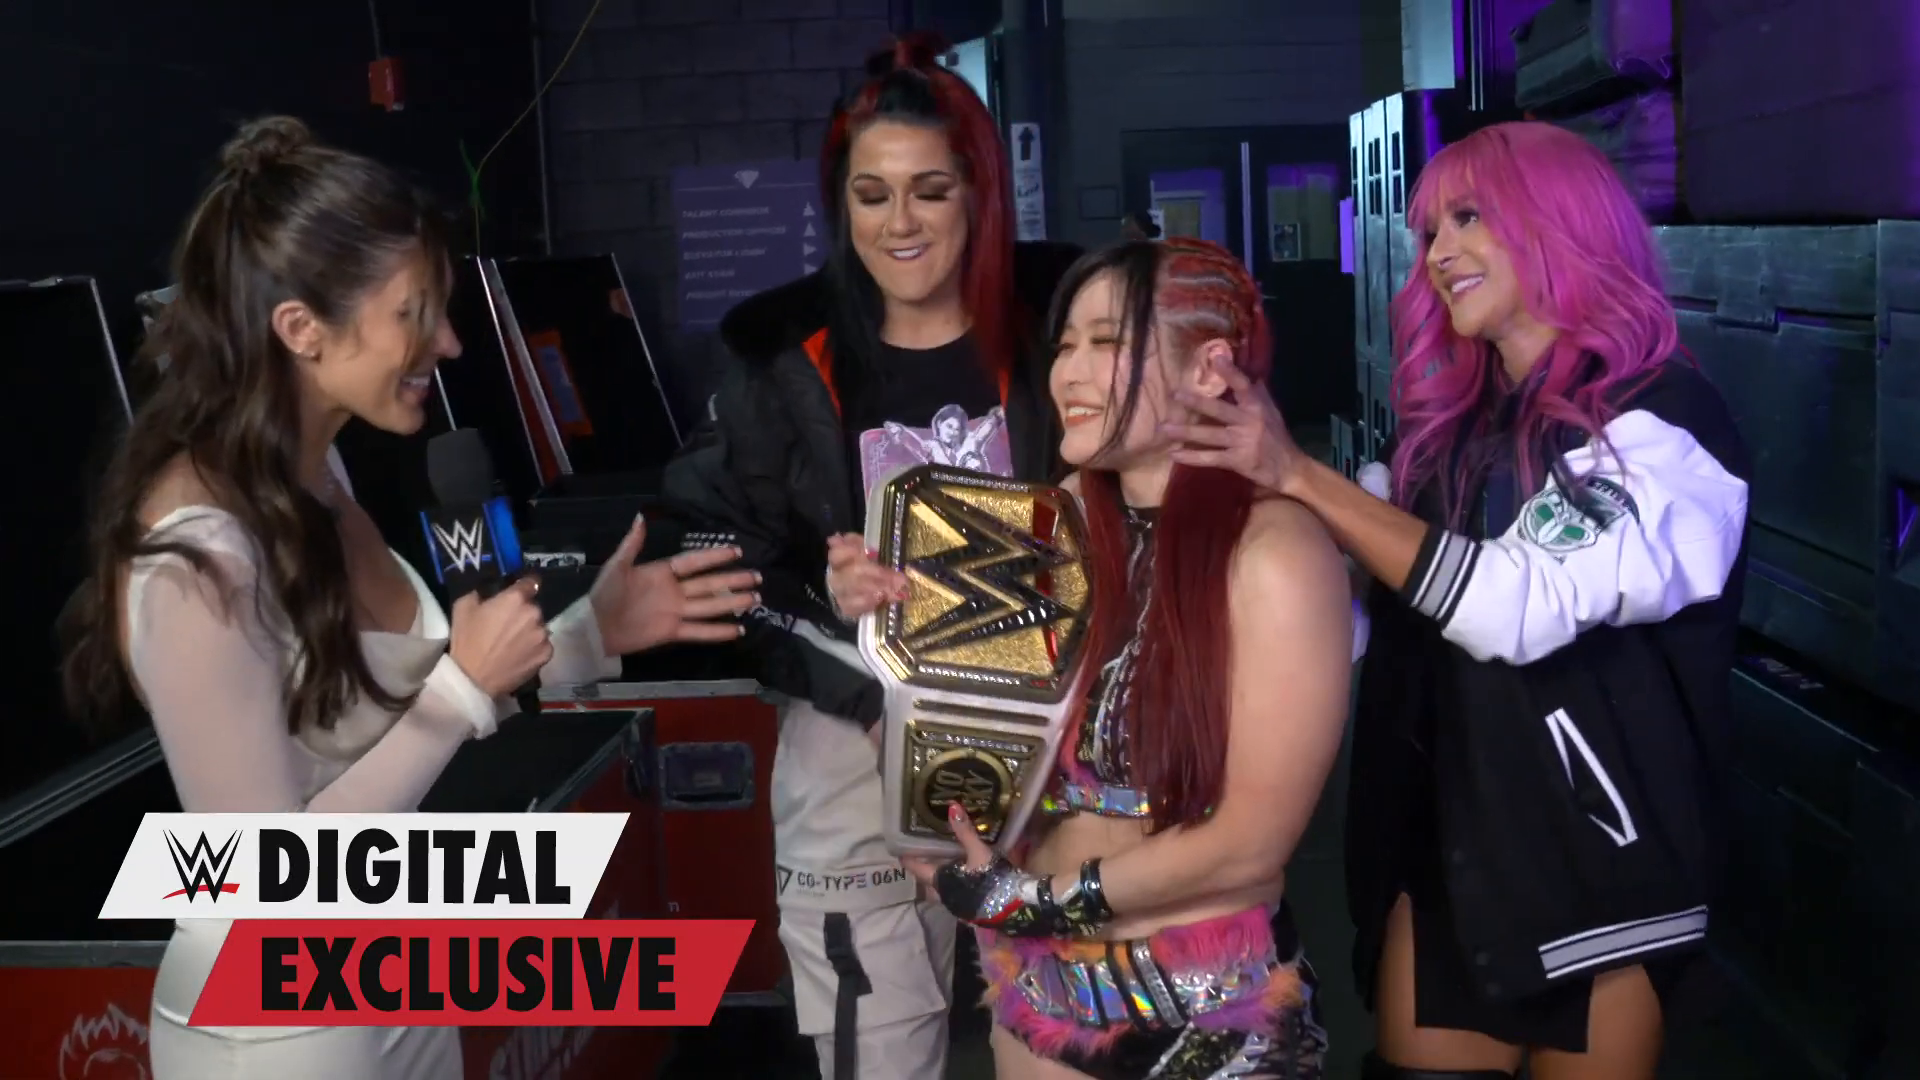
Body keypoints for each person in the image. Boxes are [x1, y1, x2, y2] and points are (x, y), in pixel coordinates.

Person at [56, 117, 758, 1080]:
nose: (451, 342)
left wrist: (589, 635)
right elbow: (256, 879)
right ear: (301, 329)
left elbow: (383, 707)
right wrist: (460, 693)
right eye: (413, 313)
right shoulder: (199, 562)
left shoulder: (319, 471)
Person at [1159, 122, 1753, 1080]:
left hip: (1603, 876)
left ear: (1562, 222)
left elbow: (1516, 604)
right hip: (1447, 855)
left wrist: (1301, 476)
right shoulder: (1447, 436)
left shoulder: (1663, 421)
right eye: (1430, 229)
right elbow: (1373, 621)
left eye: (1469, 218)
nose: (1438, 254)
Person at [660, 33, 1081, 1080]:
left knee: (1071, 1052)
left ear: (978, 194)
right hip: (853, 753)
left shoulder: (1060, 331)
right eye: (871, 194)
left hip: (1052, 751)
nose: (901, 223)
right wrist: (826, 597)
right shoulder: (776, 356)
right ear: (839, 204)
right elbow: (714, 554)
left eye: (930, 191)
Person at [891, 236, 1350, 1079]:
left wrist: (1034, 901)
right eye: (1064, 344)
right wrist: (887, 637)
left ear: (1211, 368)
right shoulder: (1048, 529)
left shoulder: (1277, 553)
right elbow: (975, 740)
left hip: (1209, 1021)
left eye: (1105, 343)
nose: (1068, 372)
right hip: (1039, 998)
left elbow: (1250, 843)